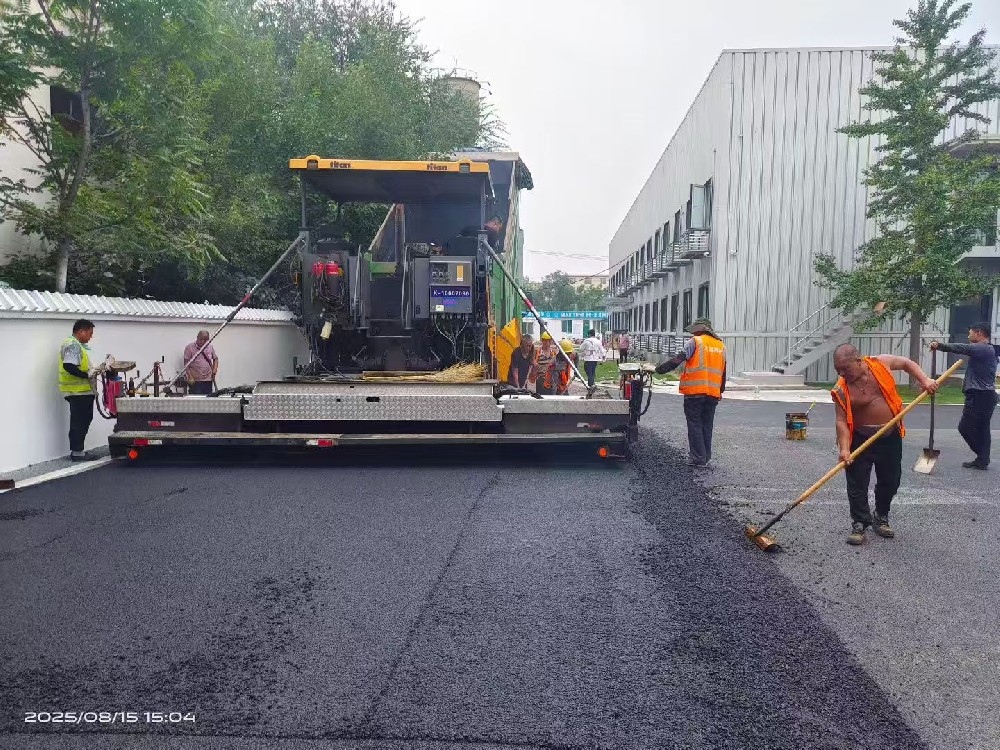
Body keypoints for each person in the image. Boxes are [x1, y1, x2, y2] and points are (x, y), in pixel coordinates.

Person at [830, 344, 938, 545]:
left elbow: (906, 363)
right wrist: (845, 449)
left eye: (845, 368)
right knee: (857, 483)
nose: (841, 373)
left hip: (889, 436)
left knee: (891, 480)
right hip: (859, 438)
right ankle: (860, 523)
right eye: (838, 369)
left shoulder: (881, 363)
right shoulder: (841, 389)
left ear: (858, 360)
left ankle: (881, 515)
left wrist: (925, 380)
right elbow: (841, 421)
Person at [655, 318, 726, 469]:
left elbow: (677, 360)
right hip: (713, 393)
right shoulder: (721, 346)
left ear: (701, 329)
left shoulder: (696, 342)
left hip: (695, 393)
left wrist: (658, 370)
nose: (693, 332)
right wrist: (720, 391)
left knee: (694, 424)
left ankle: (698, 458)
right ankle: (705, 457)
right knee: (707, 425)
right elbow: (723, 373)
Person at [931, 323, 999, 470]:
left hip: (979, 395)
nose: (969, 336)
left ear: (979, 333)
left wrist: (940, 345)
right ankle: (982, 460)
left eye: (971, 333)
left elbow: (962, 348)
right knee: (982, 428)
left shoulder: (983, 348)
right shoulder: (989, 349)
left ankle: (982, 456)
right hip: (986, 395)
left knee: (964, 427)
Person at [59, 319, 97, 461]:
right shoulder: (73, 345)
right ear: (81, 331)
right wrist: (86, 375)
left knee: (83, 419)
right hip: (78, 392)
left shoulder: (77, 346)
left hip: (82, 392)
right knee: (79, 421)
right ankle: (77, 452)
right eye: (90, 333)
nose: (91, 337)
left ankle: (78, 450)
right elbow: (69, 366)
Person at [183, 330, 219, 395]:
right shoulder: (189, 347)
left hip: (208, 379)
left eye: (205, 339)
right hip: (195, 380)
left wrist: (214, 370)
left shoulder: (210, 347)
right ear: (197, 337)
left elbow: (215, 359)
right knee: (196, 400)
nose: (203, 341)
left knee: (208, 398)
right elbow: (186, 363)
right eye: (201, 339)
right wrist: (190, 377)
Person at [530, 331, 559, 395]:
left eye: (548, 341)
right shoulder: (537, 352)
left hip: (551, 380)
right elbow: (532, 364)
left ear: (551, 341)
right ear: (542, 341)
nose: (547, 343)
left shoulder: (553, 353)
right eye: (545, 341)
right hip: (541, 380)